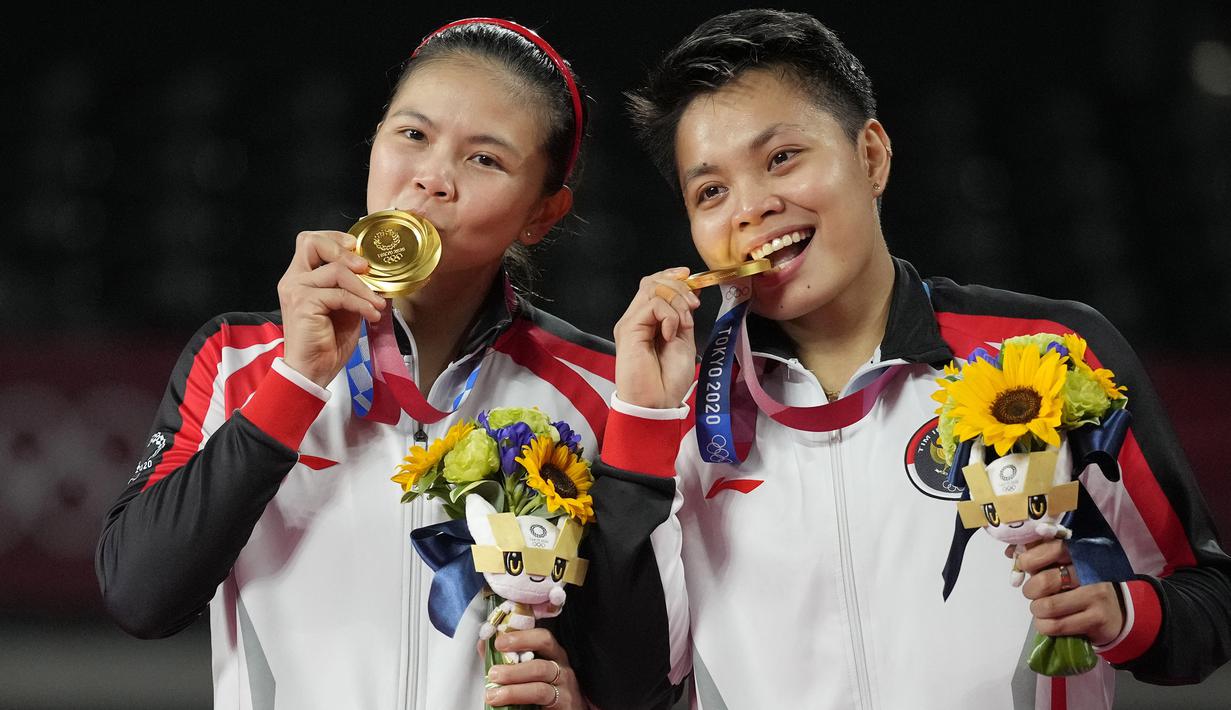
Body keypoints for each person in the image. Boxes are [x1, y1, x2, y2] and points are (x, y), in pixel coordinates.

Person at [568, 8, 1231, 709]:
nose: (750, 206)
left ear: (871, 157)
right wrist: (641, 420)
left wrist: (1121, 616)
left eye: (781, 158)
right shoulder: (677, 420)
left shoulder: (1049, 351)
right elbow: (628, 685)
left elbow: (1208, 604)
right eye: (710, 192)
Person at [95, 18, 614, 710]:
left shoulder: (598, 390)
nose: (431, 178)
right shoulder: (237, 360)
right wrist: (298, 379)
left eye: (483, 159)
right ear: (374, 142)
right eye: (412, 135)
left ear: (541, 215)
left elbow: (649, 659)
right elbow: (140, 596)